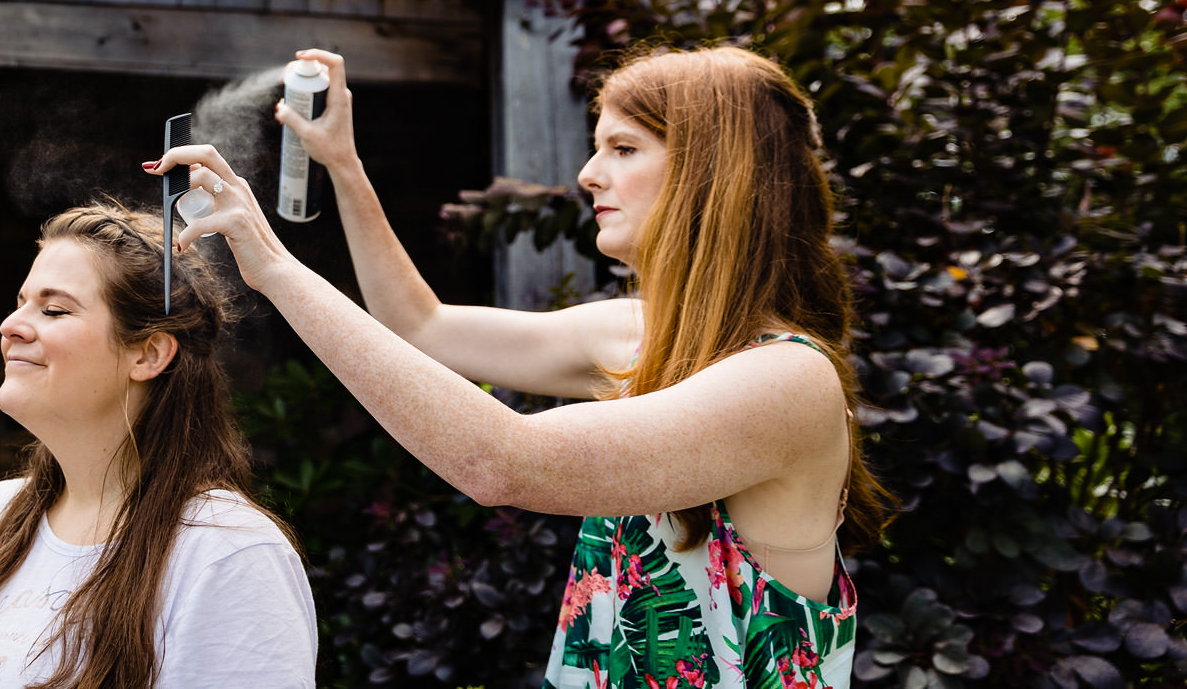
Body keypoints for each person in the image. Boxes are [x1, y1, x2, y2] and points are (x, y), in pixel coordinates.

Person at [148, 45, 889, 689]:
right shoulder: (645, 338)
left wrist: (275, 268)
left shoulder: (787, 381)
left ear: (711, 173)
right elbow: (421, 328)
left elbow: (503, 461)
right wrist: (344, 163)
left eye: (624, 149)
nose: (589, 173)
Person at [0, 202, 316, 689]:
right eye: (20, 301)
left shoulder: (229, 553)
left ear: (150, 353)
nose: (10, 325)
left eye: (54, 310)